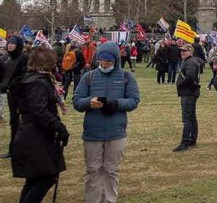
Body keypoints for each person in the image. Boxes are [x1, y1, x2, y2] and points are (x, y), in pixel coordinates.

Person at [73, 41, 140, 202]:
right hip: (92, 132)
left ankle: (110, 199)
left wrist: (116, 104)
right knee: (92, 170)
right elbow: (76, 101)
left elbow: (134, 100)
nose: (104, 64)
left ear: (115, 60)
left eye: (108, 61)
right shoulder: (89, 76)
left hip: (116, 132)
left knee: (111, 169)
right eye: (102, 60)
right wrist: (90, 102)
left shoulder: (126, 77)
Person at [11, 46, 69, 203]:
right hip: (36, 135)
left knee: (35, 178)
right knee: (47, 176)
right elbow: (39, 111)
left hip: (32, 133)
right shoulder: (38, 82)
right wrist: (59, 127)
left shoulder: (34, 79)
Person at [0, 36, 28, 159]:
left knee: (24, 122)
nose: (10, 45)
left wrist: (14, 84)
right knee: (14, 122)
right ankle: (14, 149)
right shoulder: (8, 59)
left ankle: (22, 148)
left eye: (13, 43)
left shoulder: (24, 58)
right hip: (12, 93)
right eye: (9, 43)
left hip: (21, 95)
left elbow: (26, 76)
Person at [174, 43, 201, 152]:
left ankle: (185, 141)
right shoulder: (191, 61)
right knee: (191, 116)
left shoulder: (190, 62)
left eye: (184, 51)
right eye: (181, 51)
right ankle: (192, 138)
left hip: (188, 92)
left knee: (187, 118)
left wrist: (181, 84)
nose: (182, 53)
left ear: (190, 52)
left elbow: (190, 77)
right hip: (190, 92)